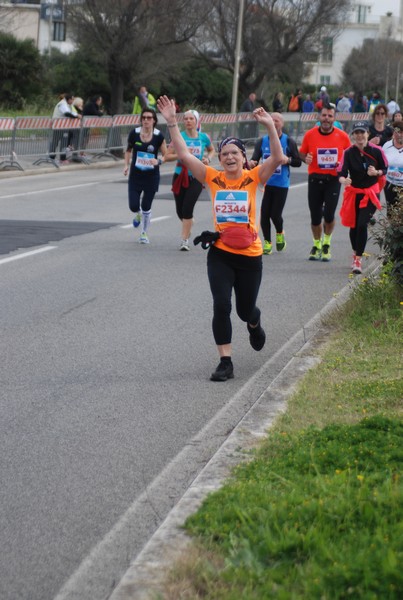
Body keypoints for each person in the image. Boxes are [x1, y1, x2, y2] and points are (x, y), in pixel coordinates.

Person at [157, 95, 283, 382]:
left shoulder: (253, 178)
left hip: (250, 255)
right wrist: (173, 123)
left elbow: (276, 157)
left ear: (242, 157)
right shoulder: (212, 177)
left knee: (244, 309)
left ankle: (254, 322)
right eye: (225, 153)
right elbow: (186, 156)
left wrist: (269, 127)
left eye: (234, 153)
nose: (228, 157)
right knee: (221, 305)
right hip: (221, 252)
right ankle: (225, 361)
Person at [299, 104, 351, 261]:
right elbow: (301, 153)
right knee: (315, 217)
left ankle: (326, 243)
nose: (326, 119)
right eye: (324, 115)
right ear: (319, 117)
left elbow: (349, 156)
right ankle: (316, 244)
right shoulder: (310, 135)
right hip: (315, 179)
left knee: (328, 215)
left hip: (333, 180)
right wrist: (305, 158)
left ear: (334, 118)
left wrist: (343, 167)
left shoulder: (342, 136)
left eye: (330, 116)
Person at [338, 121, 387, 274]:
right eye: (356, 132)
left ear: (368, 134)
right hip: (354, 193)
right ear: (353, 135)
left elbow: (385, 168)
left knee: (361, 224)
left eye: (362, 132)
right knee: (353, 226)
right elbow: (340, 173)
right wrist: (344, 180)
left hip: (370, 193)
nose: (359, 135)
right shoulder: (348, 152)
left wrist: (376, 173)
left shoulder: (376, 151)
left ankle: (358, 259)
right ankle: (355, 252)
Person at [249, 112, 301, 254]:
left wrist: (288, 160)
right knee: (264, 214)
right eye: (271, 120)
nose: (274, 122)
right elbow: (255, 158)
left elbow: (297, 161)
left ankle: (279, 232)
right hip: (264, 183)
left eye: (276, 120)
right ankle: (267, 242)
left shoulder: (288, 141)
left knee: (275, 214)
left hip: (281, 184)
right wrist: (252, 162)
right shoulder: (262, 142)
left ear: (282, 124)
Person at [164, 109, 215, 250]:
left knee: (187, 208)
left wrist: (208, 158)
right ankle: (188, 223)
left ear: (196, 121)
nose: (188, 121)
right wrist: (182, 155)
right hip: (180, 175)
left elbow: (212, 149)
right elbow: (166, 156)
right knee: (180, 211)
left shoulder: (203, 137)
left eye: (191, 118)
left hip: (197, 176)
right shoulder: (179, 137)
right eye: (185, 119)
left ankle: (184, 240)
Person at [123, 108, 167, 244]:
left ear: (154, 120)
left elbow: (166, 154)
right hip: (136, 175)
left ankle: (144, 233)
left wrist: (159, 161)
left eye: (149, 118)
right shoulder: (134, 134)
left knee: (146, 206)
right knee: (133, 205)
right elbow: (128, 150)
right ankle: (138, 214)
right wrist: (126, 165)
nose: (146, 120)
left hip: (151, 176)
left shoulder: (158, 136)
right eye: (144, 118)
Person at [49, 94, 81, 163]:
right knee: (56, 142)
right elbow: (67, 113)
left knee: (63, 143)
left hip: (64, 126)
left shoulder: (69, 105)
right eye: (72, 99)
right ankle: (52, 157)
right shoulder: (62, 104)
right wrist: (76, 117)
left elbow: (73, 112)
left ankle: (62, 158)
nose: (73, 101)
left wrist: (77, 115)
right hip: (58, 126)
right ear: (69, 99)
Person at [383, 121, 403, 217]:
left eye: (401, 132)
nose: (399, 135)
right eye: (396, 132)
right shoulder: (387, 145)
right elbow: (381, 163)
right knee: (391, 213)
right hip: (389, 184)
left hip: (402, 185)